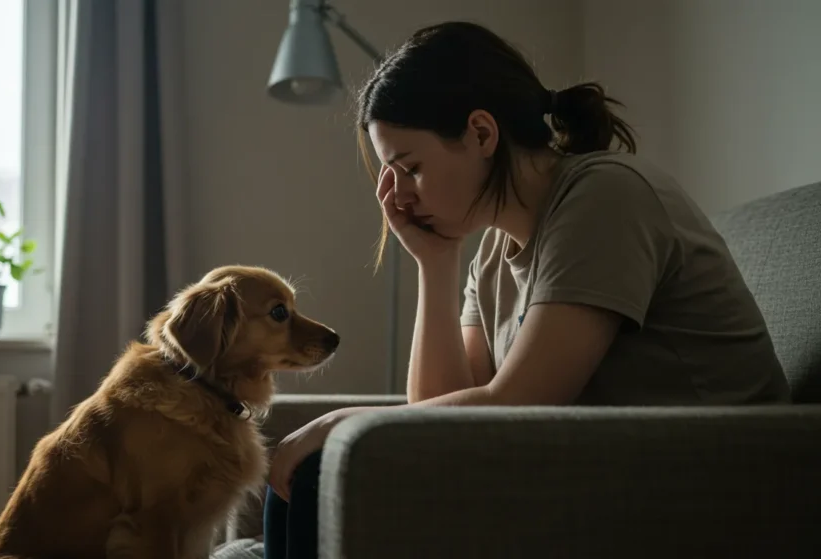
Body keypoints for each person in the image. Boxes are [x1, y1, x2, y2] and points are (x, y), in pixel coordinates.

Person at [260, 20, 790, 559]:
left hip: (709, 479)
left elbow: (518, 403)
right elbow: (436, 420)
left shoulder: (604, 196)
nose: (394, 195)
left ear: (482, 134)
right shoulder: (493, 248)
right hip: (605, 469)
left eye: (409, 167)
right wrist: (436, 265)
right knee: (314, 475)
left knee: (319, 466)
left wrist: (341, 423)